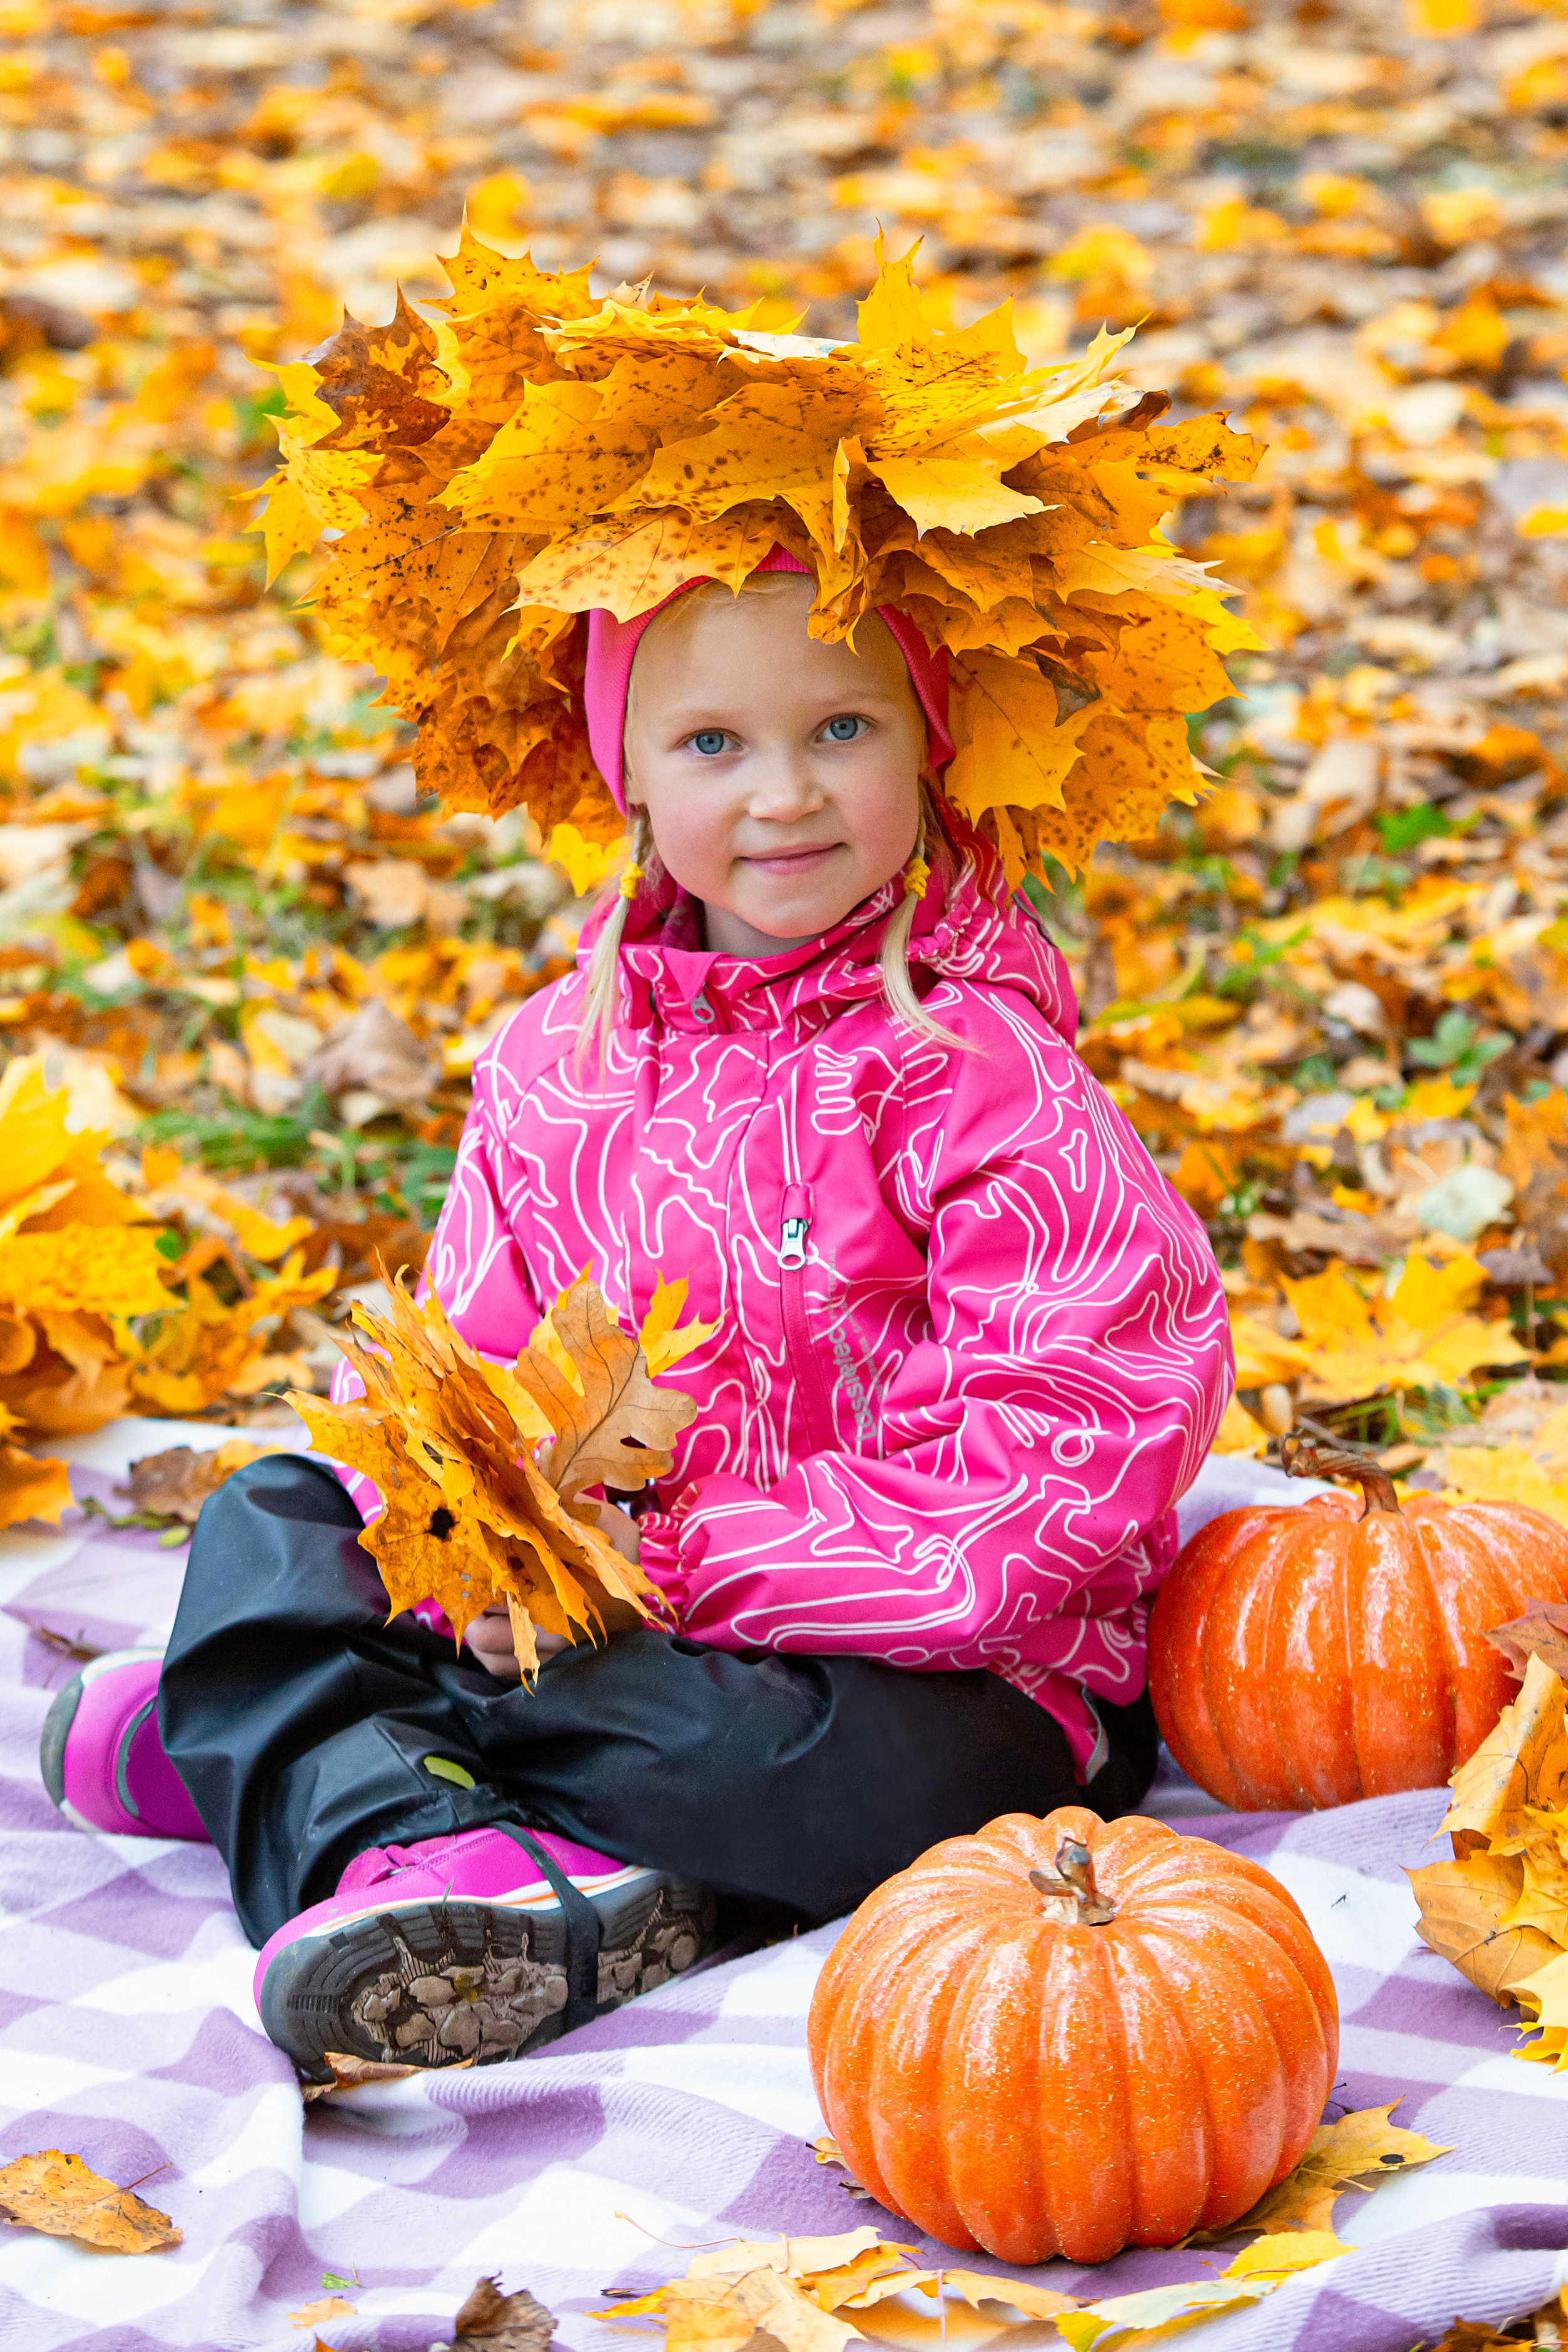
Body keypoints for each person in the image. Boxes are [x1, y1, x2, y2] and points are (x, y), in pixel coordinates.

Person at [41, 548, 1233, 2080]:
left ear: (929, 742)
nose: (786, 792)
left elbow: (1057, 1465)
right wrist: (466, 1544)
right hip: (571, 1616)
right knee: (273, 1517)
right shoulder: (557, 1059)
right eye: (713, 743)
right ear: (633, 780)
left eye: (843, 729)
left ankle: (293, 1740)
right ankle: (418, 1842)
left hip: (933, 1683)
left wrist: (669, 1566)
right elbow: (465, 1373)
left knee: (767, 1761)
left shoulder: (977, 1074)